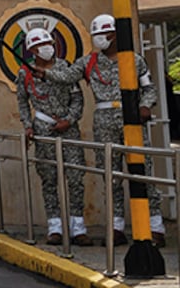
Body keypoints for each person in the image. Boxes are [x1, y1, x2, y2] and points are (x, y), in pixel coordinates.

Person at [44, 13, 165, 246]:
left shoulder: (134, 59)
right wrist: (45, 72)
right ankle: (116, 227)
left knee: (143, 173)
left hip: (131, 121)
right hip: (103, 122)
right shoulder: (88, 62)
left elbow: (149, 89)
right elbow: (66, 77)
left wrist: (145, 106)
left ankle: (155, 227)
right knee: (111, 176)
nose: (99, 40)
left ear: (115, 35)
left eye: (103, 35)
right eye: (96, 36)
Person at [16, 28, 91, 246]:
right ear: (32, 50)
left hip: (68, 129)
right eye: (40, 45)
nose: (47, 47)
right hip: (43, 130)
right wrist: (28, 126)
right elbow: (22, 101)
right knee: (49, 179)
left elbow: (77, 99)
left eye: (49, 42)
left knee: (76, 178)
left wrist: (69, 119)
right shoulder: (25, 73)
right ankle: (55, 227)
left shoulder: (65, 68)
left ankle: (78, 227)